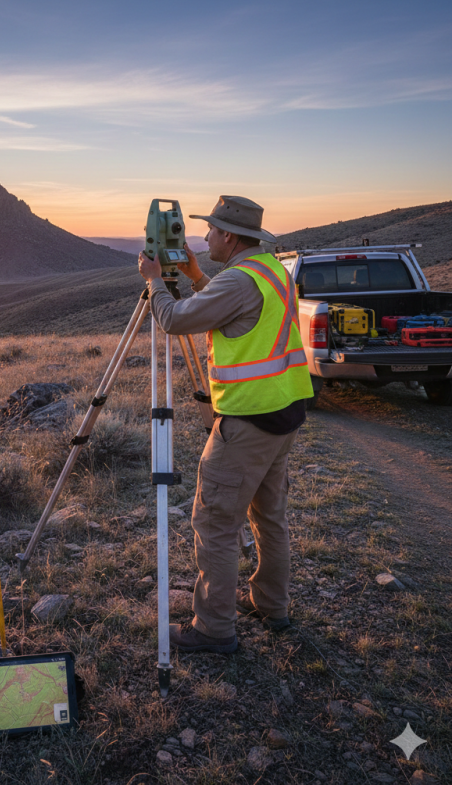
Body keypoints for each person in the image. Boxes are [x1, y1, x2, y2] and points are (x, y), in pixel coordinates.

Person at [138, 195, 313, 653]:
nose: (205, 236)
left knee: (215, 520)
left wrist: (155, 282)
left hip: (249, 421)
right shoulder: (271, 270)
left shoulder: (239, 280)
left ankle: (214, 629)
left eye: (212, 230)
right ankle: (272, 605)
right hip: (285, 412)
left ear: (230, 237)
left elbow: (174, 319)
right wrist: (195, 277)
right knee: (268, 515)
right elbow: (235, 311)